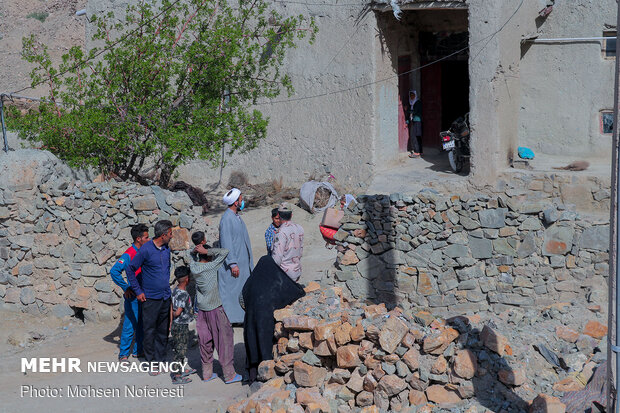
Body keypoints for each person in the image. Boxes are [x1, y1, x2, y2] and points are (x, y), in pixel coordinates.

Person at [243, 255, 305, 383]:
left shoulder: (251, 282)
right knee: (265, 344)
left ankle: (251, 375)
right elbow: (289, 289)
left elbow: (242, 295)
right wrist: (300, 290)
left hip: (250, 319)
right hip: (265, 320)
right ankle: (267, 376)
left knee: (252, 342)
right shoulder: (274, 280)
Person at [189, 232, 241, 384]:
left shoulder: (194, 267)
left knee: (205, 341)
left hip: (201, 310)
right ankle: (229, 374)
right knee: (224, 340)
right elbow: (225, 252)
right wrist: (207, 251)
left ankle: (206, 374)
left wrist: (195, 251)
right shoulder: (211, 266)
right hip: (215, 308)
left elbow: (189, 255)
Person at [127, 220, 173, 374]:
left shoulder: (166, 249)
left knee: (163, 330)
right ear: (163, 235)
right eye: (170, 234)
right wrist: (138, 291)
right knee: (150, 331)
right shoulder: (146, 250)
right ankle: (152, 362)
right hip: (150, 299)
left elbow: (167, 268)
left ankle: (161, 360)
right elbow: (130, 269)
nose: (172, 236)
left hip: (165, 297)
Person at [109, 223, 150, 361]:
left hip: (144, 293)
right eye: (146, 237)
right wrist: (126, 287)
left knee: (142, 323)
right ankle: (123, 354)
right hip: (133, 296)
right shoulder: (128, 254)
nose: (148, 240)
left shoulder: (144, 251)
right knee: (130, 323)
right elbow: (114, 271)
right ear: (139, 239)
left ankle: (138, 350)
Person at [218, 188, 253, 324]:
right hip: (235, 264)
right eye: (240, 199)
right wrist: (232, 263)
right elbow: (227, 243)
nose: (242, 201)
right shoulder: (227, 219)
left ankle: (240, 318)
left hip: (242, 263)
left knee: (240, 291)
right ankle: (230, 319)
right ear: (235, 202)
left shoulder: (236, 217)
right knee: (231, 292)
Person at [169, 266, 197, 385]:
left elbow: (171, 307)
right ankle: (177, 376)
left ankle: (181, 370)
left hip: (176, 325)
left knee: (180, 349)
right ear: (186, 279)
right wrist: (176, 314)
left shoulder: (175, 290)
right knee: (179, 352)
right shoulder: (183, 294)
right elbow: (177, 311)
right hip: (181, 325)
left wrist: (171, 322)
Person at [272, 203, 304, 282]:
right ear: (291, 215)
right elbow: (300, 250)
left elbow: (277, 258)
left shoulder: (281, 232)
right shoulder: (299, 228)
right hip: (296, 271)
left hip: (285, 274)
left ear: (278, 215)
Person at [406, 90, 422, 158]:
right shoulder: (411, 103)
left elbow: (415, 111)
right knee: (416, 136)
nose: (412, 97)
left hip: (417, 121)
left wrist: (407, 110)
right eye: (411, 95)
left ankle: (416, 152)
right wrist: (407, 120)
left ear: (415, 95)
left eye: (413, 95)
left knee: (414, 136)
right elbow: (411, 113)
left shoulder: (418, 102)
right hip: (413, 121)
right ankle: (419, 151)